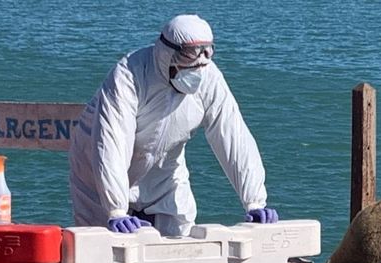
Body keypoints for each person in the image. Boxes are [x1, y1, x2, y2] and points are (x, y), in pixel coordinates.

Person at [68, 14, 278, 235]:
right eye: (188, 56)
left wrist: (255, 201)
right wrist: (116, 209)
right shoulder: (129, 75)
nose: (197, 66)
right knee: (102, 248)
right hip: (96, 173)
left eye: (206, 53)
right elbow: (112, 142)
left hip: (164, 171)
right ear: (167, 53)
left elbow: (233, 137)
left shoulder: (209, 77)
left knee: (181, 240)